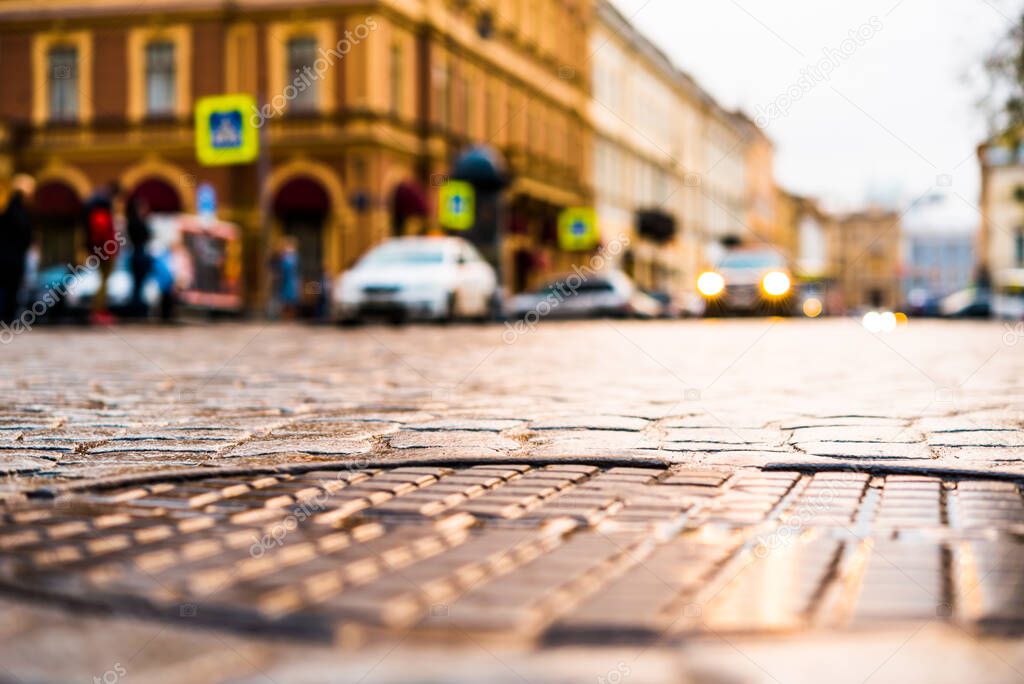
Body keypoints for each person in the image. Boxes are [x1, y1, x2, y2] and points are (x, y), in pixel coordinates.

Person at [82, 182, 122, 325]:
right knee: (104, 281)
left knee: (103, 281)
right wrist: (109, 250)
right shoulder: (102, 213)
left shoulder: (94, 208)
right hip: (104, 251)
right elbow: (104, 235)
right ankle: (98, 311)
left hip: (99, 249)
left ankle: (99, 310)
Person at [0, 175, 36, 325]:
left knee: (5, 287)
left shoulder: (8, 209)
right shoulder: (19, 211)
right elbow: (24, 234)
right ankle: (7, 316)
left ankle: (6, 315)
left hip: (6, 256)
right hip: (13, 257)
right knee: (10, 288)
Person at [126, 196, 152, 318]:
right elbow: (146, 236)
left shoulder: (132, 221)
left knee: (137, 285)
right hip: (139, 254)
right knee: (138, 284)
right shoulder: (137, 222)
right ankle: (137, 308)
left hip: (137, 254)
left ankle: (136, 307)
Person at [272, 235, 300, 320]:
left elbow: (296, 269)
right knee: (284, 300)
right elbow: (278, 267)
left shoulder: (294, 257)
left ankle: (290, 317)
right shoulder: (282, 256)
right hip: (283, 281)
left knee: (291, 300)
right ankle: (284, 317)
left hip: (291, 281)